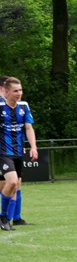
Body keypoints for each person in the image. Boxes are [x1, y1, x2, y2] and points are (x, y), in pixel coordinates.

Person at [0, 77, 38, 231]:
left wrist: (33, 147)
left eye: (20, 90)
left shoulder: (24, 106)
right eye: (15, 91)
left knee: (15, 186)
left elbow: (28, 128)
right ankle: (4, 217)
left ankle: (11, 219)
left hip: (18, 152)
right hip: (3, 153)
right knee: (12, 182)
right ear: (6, 92)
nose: (19, 93)